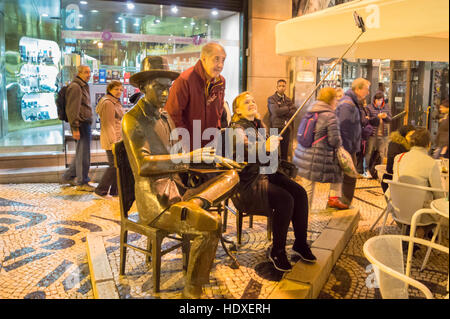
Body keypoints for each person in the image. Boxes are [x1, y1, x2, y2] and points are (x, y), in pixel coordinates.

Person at [123, 56, 240, 299]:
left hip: (178, 188)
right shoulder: (132, 119)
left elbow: (177, 155)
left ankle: (195, 204)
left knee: (231, 175)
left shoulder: (164, 116)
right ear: (143, 87)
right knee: (210, 225)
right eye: (159, 87)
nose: (166, 93)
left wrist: (207, 159)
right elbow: (143, 164)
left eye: (168, 87)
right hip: (156, 201)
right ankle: (192, 292)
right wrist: (188, 158)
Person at [226, 91, 315, 273]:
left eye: (253, 100)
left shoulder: (259, 125)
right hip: (249, 183)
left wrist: (274, 148)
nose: (252, 103)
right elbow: (243, 150)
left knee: (300, 193)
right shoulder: (235, 129)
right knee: (285, 199)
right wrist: (264, 146)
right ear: (238, 110)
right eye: (246, 102)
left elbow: (269, 158)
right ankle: (277, 250)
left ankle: (300, 244)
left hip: (267, 174)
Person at [293, 87, 348, 210]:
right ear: (331, 99)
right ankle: (333, 199)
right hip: (318, 156)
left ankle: (302, 214)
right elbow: (334, 140)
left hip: (303, 154)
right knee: (338, 171)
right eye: (335, 99)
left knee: (307, 187)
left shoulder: (311, 110)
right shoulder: (330, 115)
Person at [165, 42, 227, 150]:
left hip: (210, 147)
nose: (220, 65)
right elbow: (172, 115)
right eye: (216, 59)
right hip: (187, 148)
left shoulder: (221, 81)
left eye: (223, 60)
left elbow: (218, 112)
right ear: (203, 58)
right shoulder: (185, 79)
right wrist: (186, 144)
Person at [391, 128, 444, 237]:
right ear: (428, 144)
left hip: (397, 208)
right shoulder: (430, 163)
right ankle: (422, 230)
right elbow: (438, 193)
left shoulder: (399, 158)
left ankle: (412, 231)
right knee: (438, 205)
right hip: (419, 213)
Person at [335, 78, 371, 206]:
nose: (368, 92)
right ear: (358, 89)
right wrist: (347, 149)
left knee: (347, 176)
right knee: (350, 176)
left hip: (349, 146)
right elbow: (344, 126)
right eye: (366, 89)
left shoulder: (352, 102)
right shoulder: (348, 104)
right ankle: (344, 202)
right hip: (347, 148)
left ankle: (341, 201)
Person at [62, 65, 95, 191]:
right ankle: (82, 182)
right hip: (81, 124)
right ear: (79, 73)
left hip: (83, 123)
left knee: (80, 153)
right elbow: (72, 109)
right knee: (83, 154)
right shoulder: (76, 87)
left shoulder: (82, 86)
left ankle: (69, 176)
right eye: (86, 72)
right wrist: (75, 128)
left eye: (89, 72)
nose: (89, 74)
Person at [94, 80, 126, 197]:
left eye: (121, 90)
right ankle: (101, 190)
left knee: (118, 165)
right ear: (110, 89)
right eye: (116, 89)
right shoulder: (108, 103)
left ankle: (115, 191)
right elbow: (109, 124)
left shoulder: (115, 102)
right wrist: (113, 143)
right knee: (114, 165)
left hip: (117, 138)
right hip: (112, 139)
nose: (119, 92)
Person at [364, 90, 392, 177]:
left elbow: (390, 119)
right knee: (369, 151)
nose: (380, 102)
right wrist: (377, 117)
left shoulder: (386, 107)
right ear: (374, 100)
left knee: (382, 153)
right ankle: (366, 169)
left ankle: (379, 172)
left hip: (384, 134)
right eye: (378, 100)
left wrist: (386, 117)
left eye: (381, 100)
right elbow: (368, 120)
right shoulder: (369, 107)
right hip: (372, 133)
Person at [267, 79, 297, 160]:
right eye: (279, 86)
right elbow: (276, 112)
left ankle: (284, 170)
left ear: (285, 87)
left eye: (283, 86)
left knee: (285, 152)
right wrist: (288, 108)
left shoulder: (288, 99)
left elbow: (294, 112)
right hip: (275, 127)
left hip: (286, 127)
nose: (281, 88)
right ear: (277, 87)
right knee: (274, 152)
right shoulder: (271, 99)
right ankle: (274, 170)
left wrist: (282, 110)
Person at [380, 124, 415, 193]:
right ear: (403, 135)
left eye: (414, 136)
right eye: (410, 136)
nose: (412, 138)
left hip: (402, 175)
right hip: (393, 177)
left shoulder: (409, 144)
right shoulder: (396, 144)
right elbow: (394, 164)